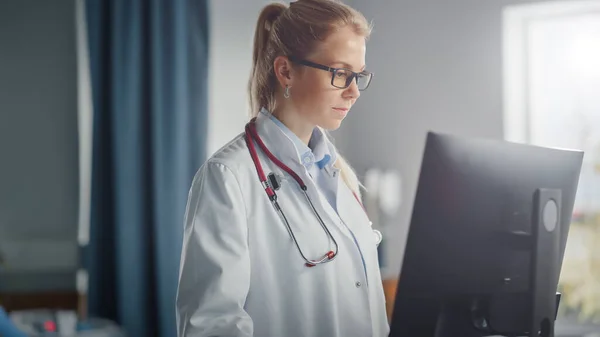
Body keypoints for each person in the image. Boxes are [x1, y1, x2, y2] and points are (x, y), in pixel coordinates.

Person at [176, 1, 388, 336]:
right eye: (340, 73)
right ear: (286, 71)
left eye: (358, 76)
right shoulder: (228, 177)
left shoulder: (336, 175)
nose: (353, 92)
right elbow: (211, 325)